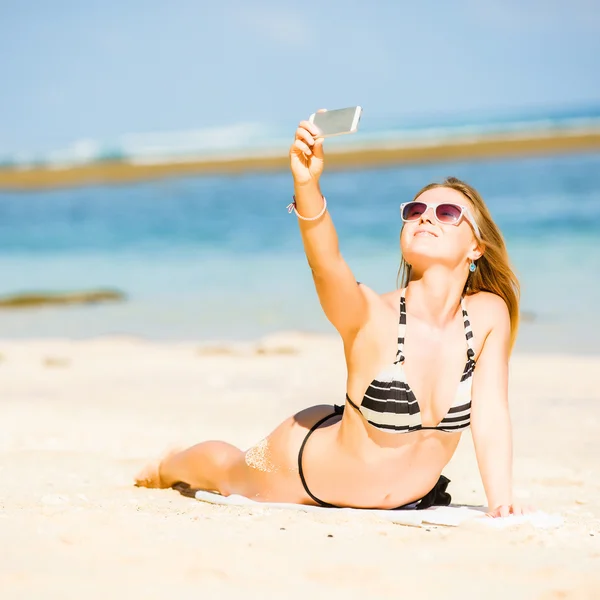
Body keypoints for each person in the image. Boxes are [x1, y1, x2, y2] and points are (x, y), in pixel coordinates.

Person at [135, 115, 530, 517]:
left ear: (476, 248)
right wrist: (306, 187)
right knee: (228, 472)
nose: (425, 216)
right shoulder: (370, 314)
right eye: (414, 210)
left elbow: (491, 414)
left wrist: (501, 503)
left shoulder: (486, 316)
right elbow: (326, 263)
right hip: (303, 468)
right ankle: (170, 463)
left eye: (447, 212)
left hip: (401, 489)